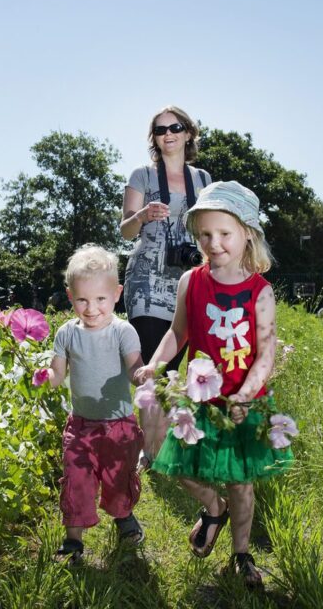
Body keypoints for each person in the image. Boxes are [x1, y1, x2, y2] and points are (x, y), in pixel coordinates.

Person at [134, 181, 293, 588]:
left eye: (225, 234)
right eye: (205, 234)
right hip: (198, 398)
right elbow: (177, 333)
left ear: (247, 235)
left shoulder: (260, 291)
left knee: (242, 483)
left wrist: (245, 394)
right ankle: (212, 507)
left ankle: (242, 553)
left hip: (242, 403)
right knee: (179, 465)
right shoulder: (192, 280)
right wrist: (155, 364)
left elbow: (265, 354)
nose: (214, 242)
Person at [33, 244, 145, 565]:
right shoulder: (67, 333)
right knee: (76, 478)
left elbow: (135, 367)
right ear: (70, 297)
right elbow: (57, 374)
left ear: (117, 294)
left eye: (100, 299)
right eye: (82, 299)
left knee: (118, 478)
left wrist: (144, 377)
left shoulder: (123, 331)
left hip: (119, 425)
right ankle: (73, 541)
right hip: (80, 424)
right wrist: (43, 377)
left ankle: (123, 517)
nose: (91, 308)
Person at [120, 106, 211, 469]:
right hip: (146, 281)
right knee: (151, 366)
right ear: (154, 139)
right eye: (160, 130)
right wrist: (141, 216)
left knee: (174, 368)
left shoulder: (202, 179)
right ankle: (151, 453)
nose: (168, 134)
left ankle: (166, 440)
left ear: (188, 133)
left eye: (175, 128)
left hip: (187, 279)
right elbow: (125, 230)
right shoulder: (141, 175)